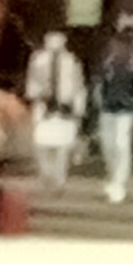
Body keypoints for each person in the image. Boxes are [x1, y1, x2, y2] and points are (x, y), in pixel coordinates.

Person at [24, 30, 85, 192]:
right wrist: (35, 94)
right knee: (40, 144)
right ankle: (46, 173)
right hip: (44, 107)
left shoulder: (71, 61)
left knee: (63, 146)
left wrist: (79, 107)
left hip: (65, 108)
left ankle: (59, 179)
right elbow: (31, 81)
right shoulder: (38, 60)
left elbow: (78, 85)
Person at [93, 34, 133, 205]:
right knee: (108, 145)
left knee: (121, 145)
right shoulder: (107, 66)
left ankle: (119, 182)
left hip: (126, 111)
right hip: (107, 110)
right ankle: (113, 176)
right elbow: (99, 86)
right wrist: (99, 104)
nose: (117, 49)